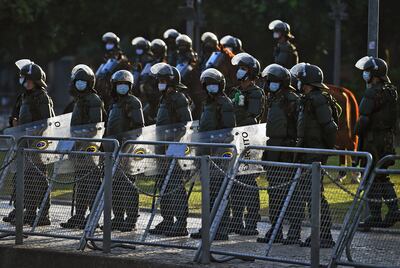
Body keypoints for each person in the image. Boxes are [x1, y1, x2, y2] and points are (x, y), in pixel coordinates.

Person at [289, 62, 337, 248]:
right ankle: (319, 233)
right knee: (310, 195)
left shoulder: (318, 99)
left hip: (314, 153)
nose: (298, 84)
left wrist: (324, 149)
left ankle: (324, 235)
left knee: (315, 195)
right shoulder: (309, 99)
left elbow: (330, 127)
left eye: (300, 81)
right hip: (308, 151)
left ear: (307, 83)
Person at [3, 59, 55, 226]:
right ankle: (25, 209)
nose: (24, 82)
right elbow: (15, 116)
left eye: (27, 79)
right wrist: (14, 123)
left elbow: (46, 122)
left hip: (37, 147)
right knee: (22, 179)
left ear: (35, 81)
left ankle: (42, 213)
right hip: (23, 145)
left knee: (38, 180)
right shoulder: (24, 96)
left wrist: (32, 134)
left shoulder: (42, 97)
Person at [256, 64, 301, 243]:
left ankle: (294, 233)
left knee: (292, 194)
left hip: (287, 151)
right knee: (273, 193)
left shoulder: (292, 99)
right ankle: (275, 231)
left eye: (272, 81)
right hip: (273, 149)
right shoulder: (273, 99)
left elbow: (299, 126)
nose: (269, 84)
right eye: (268, 81)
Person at [354, 56, 400, 229]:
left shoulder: (372, 92)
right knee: (382, 176)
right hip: (387, 139)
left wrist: (356, 132)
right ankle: (393, 210)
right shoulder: (391, 90)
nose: (364, 74)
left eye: (367, 71)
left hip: (373, 140)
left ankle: (375, 215)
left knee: (372, 177)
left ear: (374, 73)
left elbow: (364, 117)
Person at [190, 68, 236, 240]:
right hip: (206, 155)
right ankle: (208, 227)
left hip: (219, 154)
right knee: (208, 194)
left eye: (214, 84)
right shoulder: (207, 103)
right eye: (208, 84)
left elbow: (228, 130)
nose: (211, 87)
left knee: (219, 192)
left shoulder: (225, 103)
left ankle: (221, 229)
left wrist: (217, 146)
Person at [148, 63, 192, 237]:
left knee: (175, 187)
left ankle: (181, 224)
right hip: (162, 151)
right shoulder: (164, 99)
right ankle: (167, 221)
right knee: (163, 186)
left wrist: (172, 142)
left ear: (171, 82)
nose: (160, 83)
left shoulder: (179, 98)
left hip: (174, 151)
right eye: (159, 80)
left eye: (163, 80)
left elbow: (185, 124)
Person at [60, 64, 105, 229]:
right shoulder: (79, 100)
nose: (80, 84)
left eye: (83, 81)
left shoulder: (93, 100)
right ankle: (79, 216)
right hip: (78, 148)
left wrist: (83, 143)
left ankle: (93, 218)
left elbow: (94, 127)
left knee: (91, 184)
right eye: (78, 81)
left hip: (89, 149)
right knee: (81, 184)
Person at [229, 53, 264, 235]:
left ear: (251, 73)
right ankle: (236, 220)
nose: (239, 71)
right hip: (235, 140)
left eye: (243, 69)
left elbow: (252, 115)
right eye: (239, 68)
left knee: (249, 181)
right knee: (235, 182)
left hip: (249, 140)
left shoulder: (256, 92)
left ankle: (251, 222)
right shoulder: (237, 91)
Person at [106, 70, 145, 232]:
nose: (121, 87)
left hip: (127, 151)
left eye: (124, 84)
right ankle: (118, 217)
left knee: (128, 185)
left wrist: (126, 146)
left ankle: (131, 219)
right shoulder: (114, 103)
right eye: (118, 84)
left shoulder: (133, 102)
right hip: (113, 150)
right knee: (114, 186)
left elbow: (138, 127)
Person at [95, 32, 130, 110]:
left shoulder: (121, 59)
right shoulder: (107, 59)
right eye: (107, 43)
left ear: (115, 44)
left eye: (110, 43)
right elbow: (99, 75)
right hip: (104, 92)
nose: (108, 45)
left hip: (115, 92)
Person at [141, 39, 167, 125]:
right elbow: (144, 76)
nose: (155, 53)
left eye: (156, 51)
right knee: (144, 114)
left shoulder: (165, 64)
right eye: (154, 51)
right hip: (152, 96)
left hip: (161, 95)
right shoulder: (151, 63)